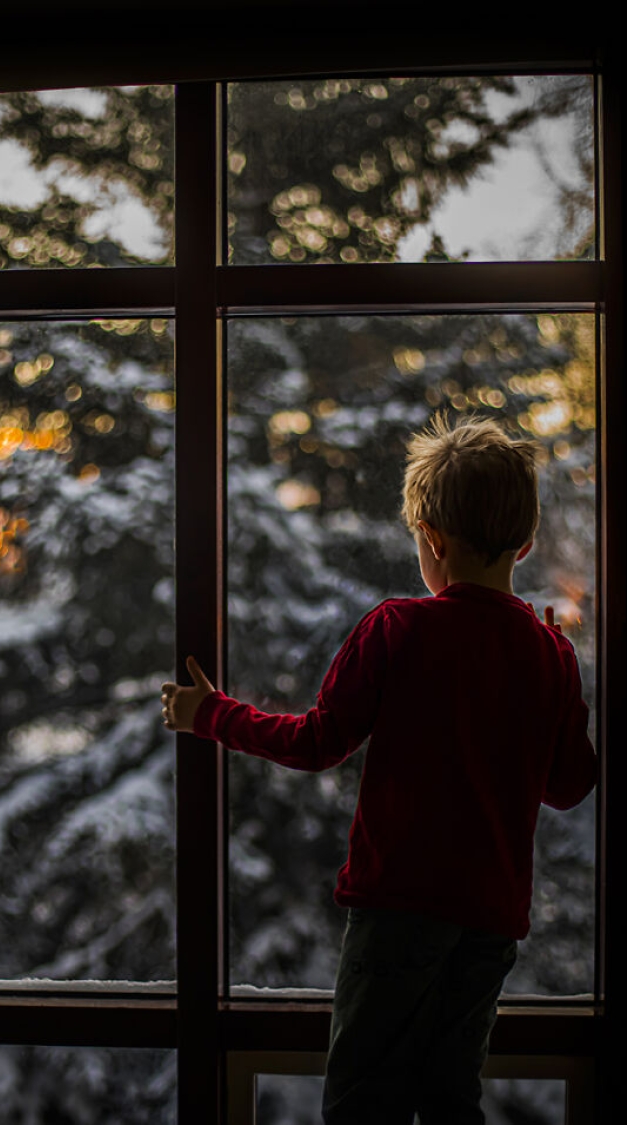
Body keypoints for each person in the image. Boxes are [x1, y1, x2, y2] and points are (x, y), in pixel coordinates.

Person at [160, 412, 597, 1125]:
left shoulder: (397, 628)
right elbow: (567, 786)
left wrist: (207, 714)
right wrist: (564, 675)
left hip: (397, 911)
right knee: (451, 1096)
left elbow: (315, 742)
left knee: (363, 1099)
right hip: (489, 924)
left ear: (431, 541)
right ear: (524, 542)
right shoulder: (546, 654)